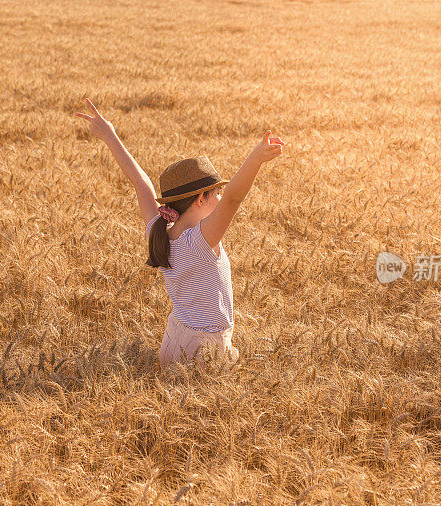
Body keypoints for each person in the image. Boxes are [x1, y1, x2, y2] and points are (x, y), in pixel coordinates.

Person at [74, 98, 284, 369]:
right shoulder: (201, 240)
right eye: (215, 193)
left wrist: (109, 135)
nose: (220, 197)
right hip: (205, 349)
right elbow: (234, 199)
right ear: (200, 199)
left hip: (173, 340)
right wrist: (255, 159)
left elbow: (140, 182)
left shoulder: (158, 230)